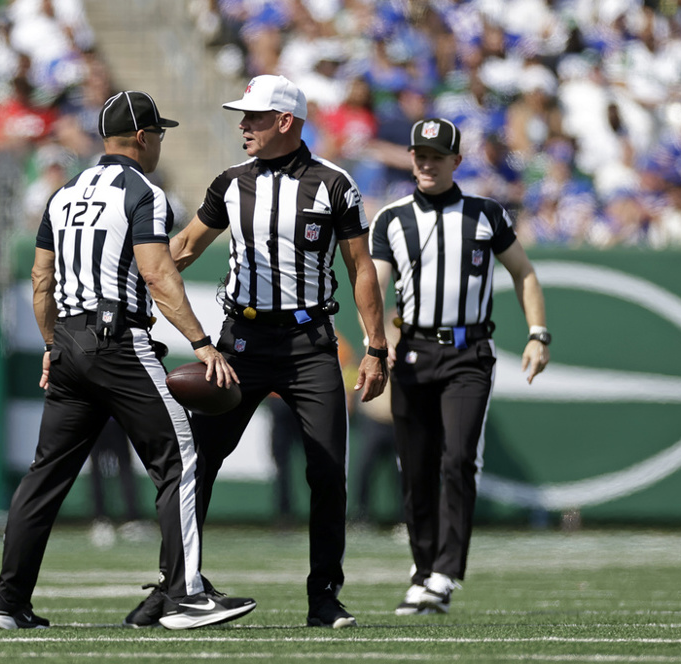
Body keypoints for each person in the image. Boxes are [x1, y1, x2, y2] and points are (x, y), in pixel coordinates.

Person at [0, 91, 256, 631]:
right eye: (160, 135)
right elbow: (157, 274)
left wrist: (50, 344)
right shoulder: (143, 192)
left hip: (69, 342)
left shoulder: (63, 194)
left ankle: (8, 603)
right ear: (145, 137)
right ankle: (186, 596)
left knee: (44, 478)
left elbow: (42, 281)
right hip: (117, 342)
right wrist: (201, 343)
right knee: (180, 458)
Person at [127, 75, 389, 630]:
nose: (243, 125)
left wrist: (375, 345)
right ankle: (175, 586)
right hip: (240, 344)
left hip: (309, 342)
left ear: (286, 122)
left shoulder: (335, 184)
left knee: (326, 471)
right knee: (195, 464)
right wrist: (139, 288)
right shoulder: (230, 183)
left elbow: (360, 267)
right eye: (242, 116)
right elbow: (185, 246)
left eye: (255, 117)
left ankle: (324, 597)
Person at [369, 118, 551, 616]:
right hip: (412, 350)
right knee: (416, 465)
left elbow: (524, 272)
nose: (426, 163)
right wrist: (374, 345)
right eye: (419, 155)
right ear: (410, 159)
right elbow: (375, 288)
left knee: (457, 459)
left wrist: (538, 333)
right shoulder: (391, 219)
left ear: (456, 161)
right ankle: (423, 567)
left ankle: (446, 571)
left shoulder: (486, 214)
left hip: (469, 352)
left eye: (436, 155)